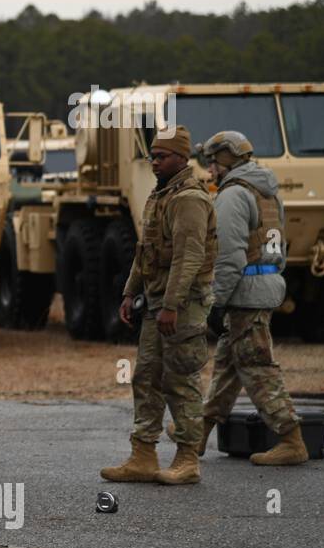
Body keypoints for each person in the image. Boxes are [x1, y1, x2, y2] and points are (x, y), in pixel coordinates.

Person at [103, 126, 216, 485]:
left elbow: (189, 257)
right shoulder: (161, 194)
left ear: (182, 158)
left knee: (180, 379)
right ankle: (143, 454)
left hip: (182, 304)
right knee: (147, 377)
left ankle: (187, 458)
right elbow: (145, 251)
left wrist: (171, 305)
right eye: (152, 155)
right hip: (156, 302)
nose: (154, 162)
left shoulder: (189, 199)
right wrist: (129, 291)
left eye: (161, 156)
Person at [195, 130, 308, 465]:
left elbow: (229, 257)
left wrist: (215, 301)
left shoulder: (232, 196)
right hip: (266, 285)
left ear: (227, 161)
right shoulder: (268, 193)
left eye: (213, 162)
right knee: (230, 363)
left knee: (257, 366)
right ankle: (198, 431)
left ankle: (291, 439)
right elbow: (279, 247)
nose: (210, 169)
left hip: (245, 293)